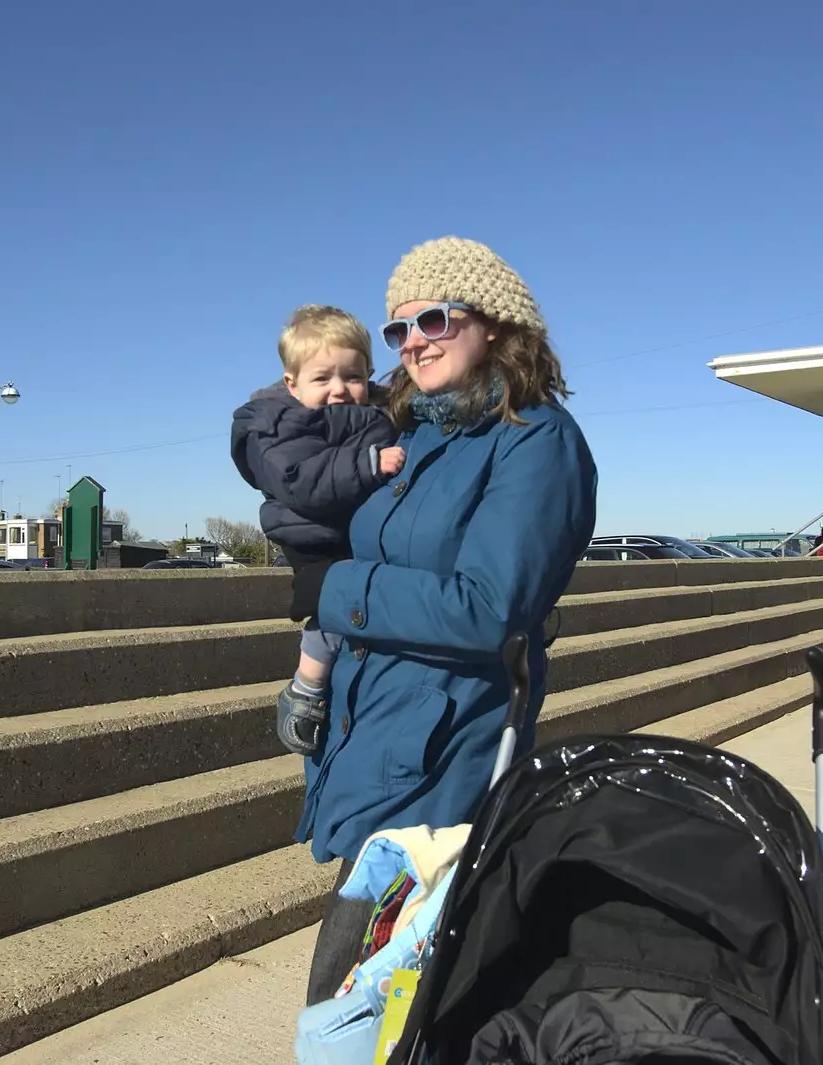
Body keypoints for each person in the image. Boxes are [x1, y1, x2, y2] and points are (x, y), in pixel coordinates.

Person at [290, 237, 598, 1004]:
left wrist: (333, 590)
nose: (412, 341)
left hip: (445, 751)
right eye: (398, 329)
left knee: (357, 999)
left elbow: (489, 609)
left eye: (433, 317)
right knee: (369, 1000)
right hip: (369, 729)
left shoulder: (537, 440)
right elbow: (276, 433)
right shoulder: (410, 432)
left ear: (492, 323)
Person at [230, 305, 405, 755]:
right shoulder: (279, 422)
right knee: (328, 614)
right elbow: (301, 480)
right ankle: (305, 688)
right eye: (323, 378)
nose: (339, 390)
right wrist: (368, 464)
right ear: (293, 383)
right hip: (313, 535)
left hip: (352, 528)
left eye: (352, 377)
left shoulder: (375, 411)